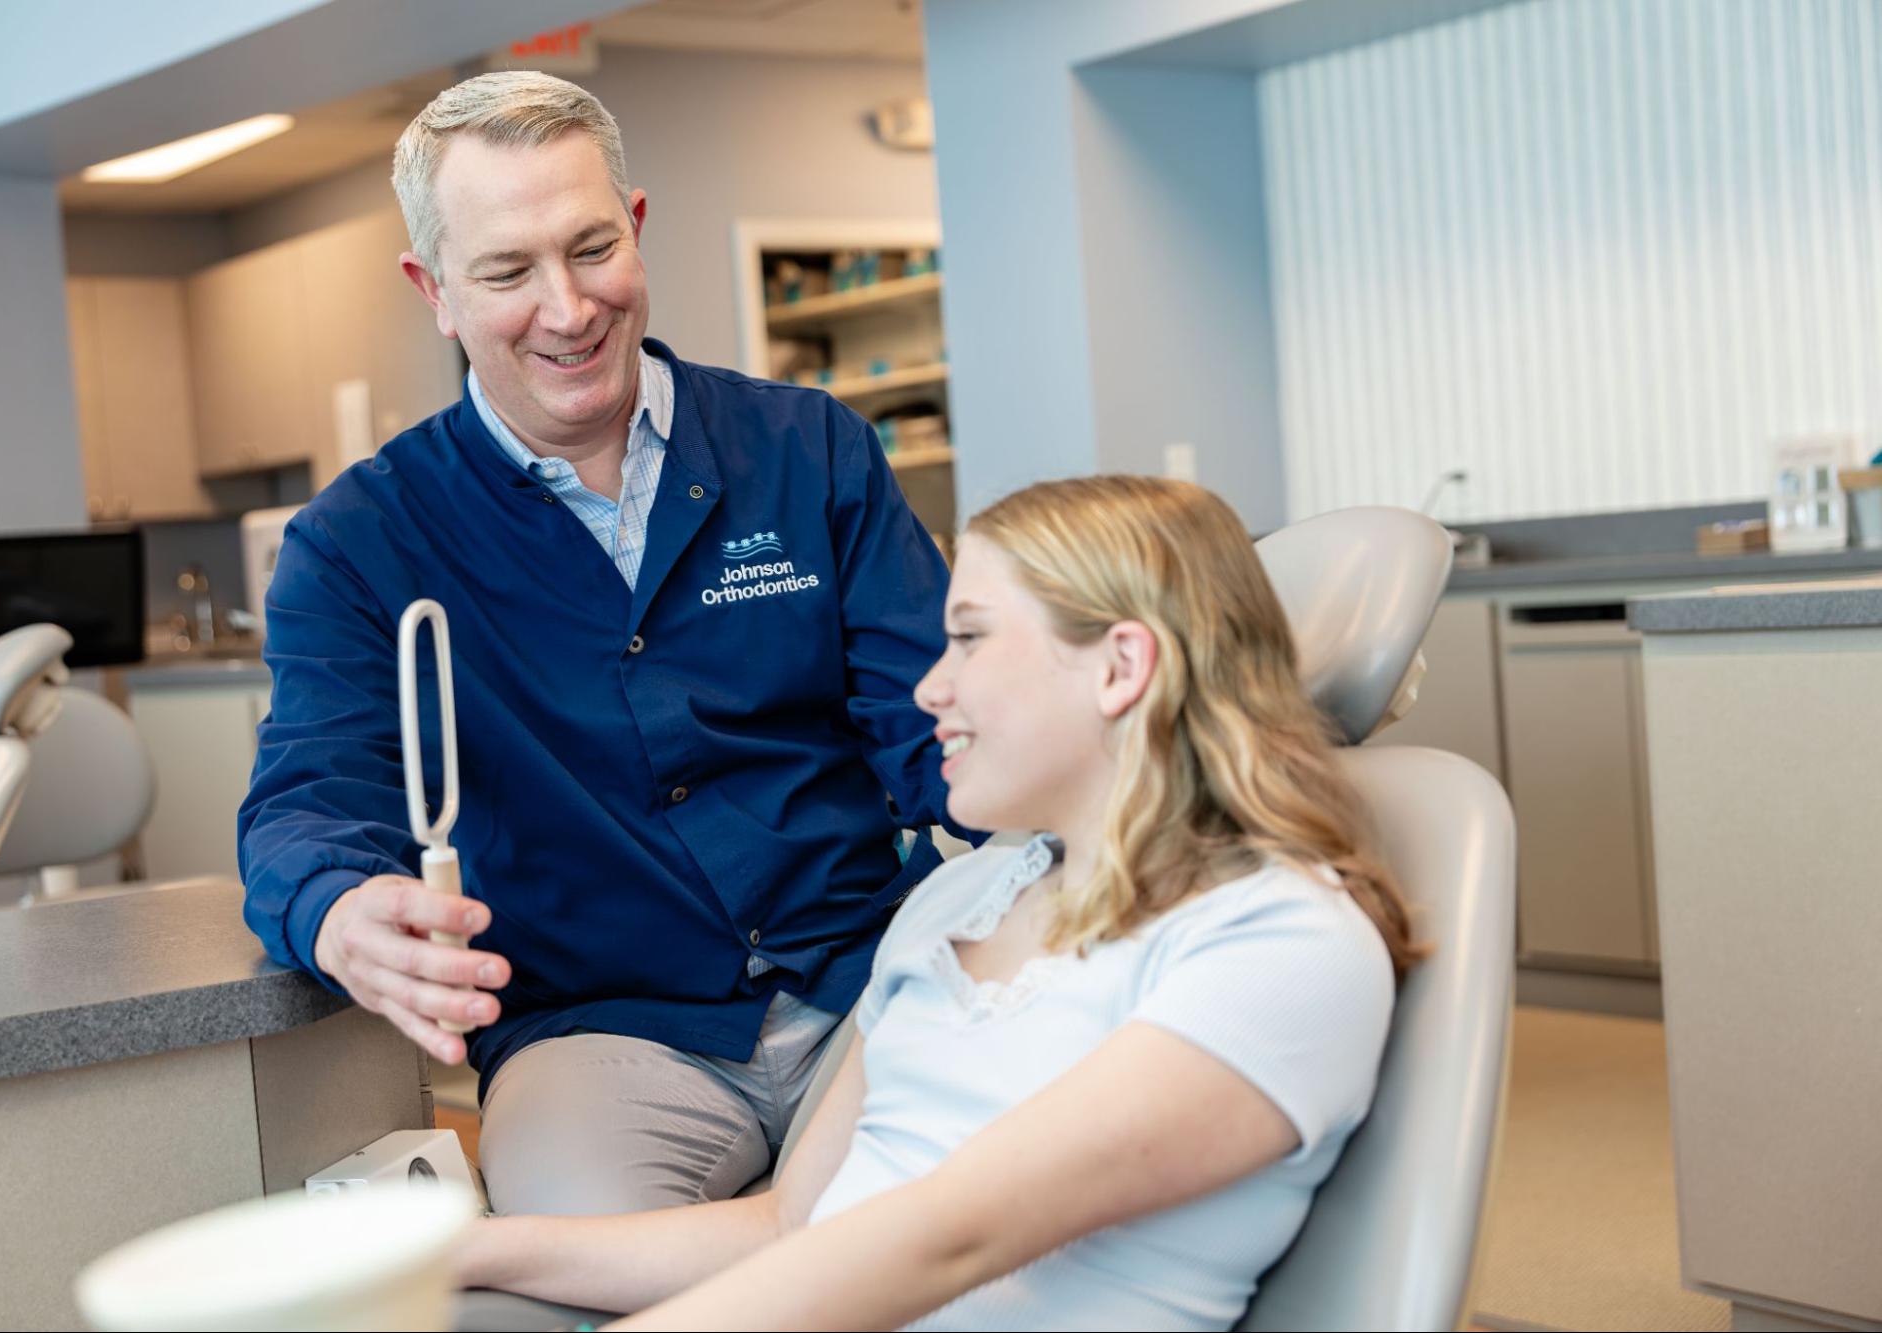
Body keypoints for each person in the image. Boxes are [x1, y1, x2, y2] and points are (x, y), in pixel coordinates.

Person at [237, 71, 972, 1217]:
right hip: (605, 1035)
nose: (568, 309)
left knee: (953, 1221)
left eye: (590, 250)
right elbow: (306, 804)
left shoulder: (804, 450)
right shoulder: (358, 543)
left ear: (635, 227)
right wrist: (337, 909)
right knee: (595, 1249)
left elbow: (941, 722)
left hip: (865, 984)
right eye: (507, 271)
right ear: (434, 289)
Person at [453, 475, 1424, 1330]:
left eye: (967, 640)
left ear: (1121, 667)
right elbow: (792, 1225)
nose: (927, 688)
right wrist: (466, 1251)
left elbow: (951, 1238)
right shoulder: (961, 897)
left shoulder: (1274, 940)